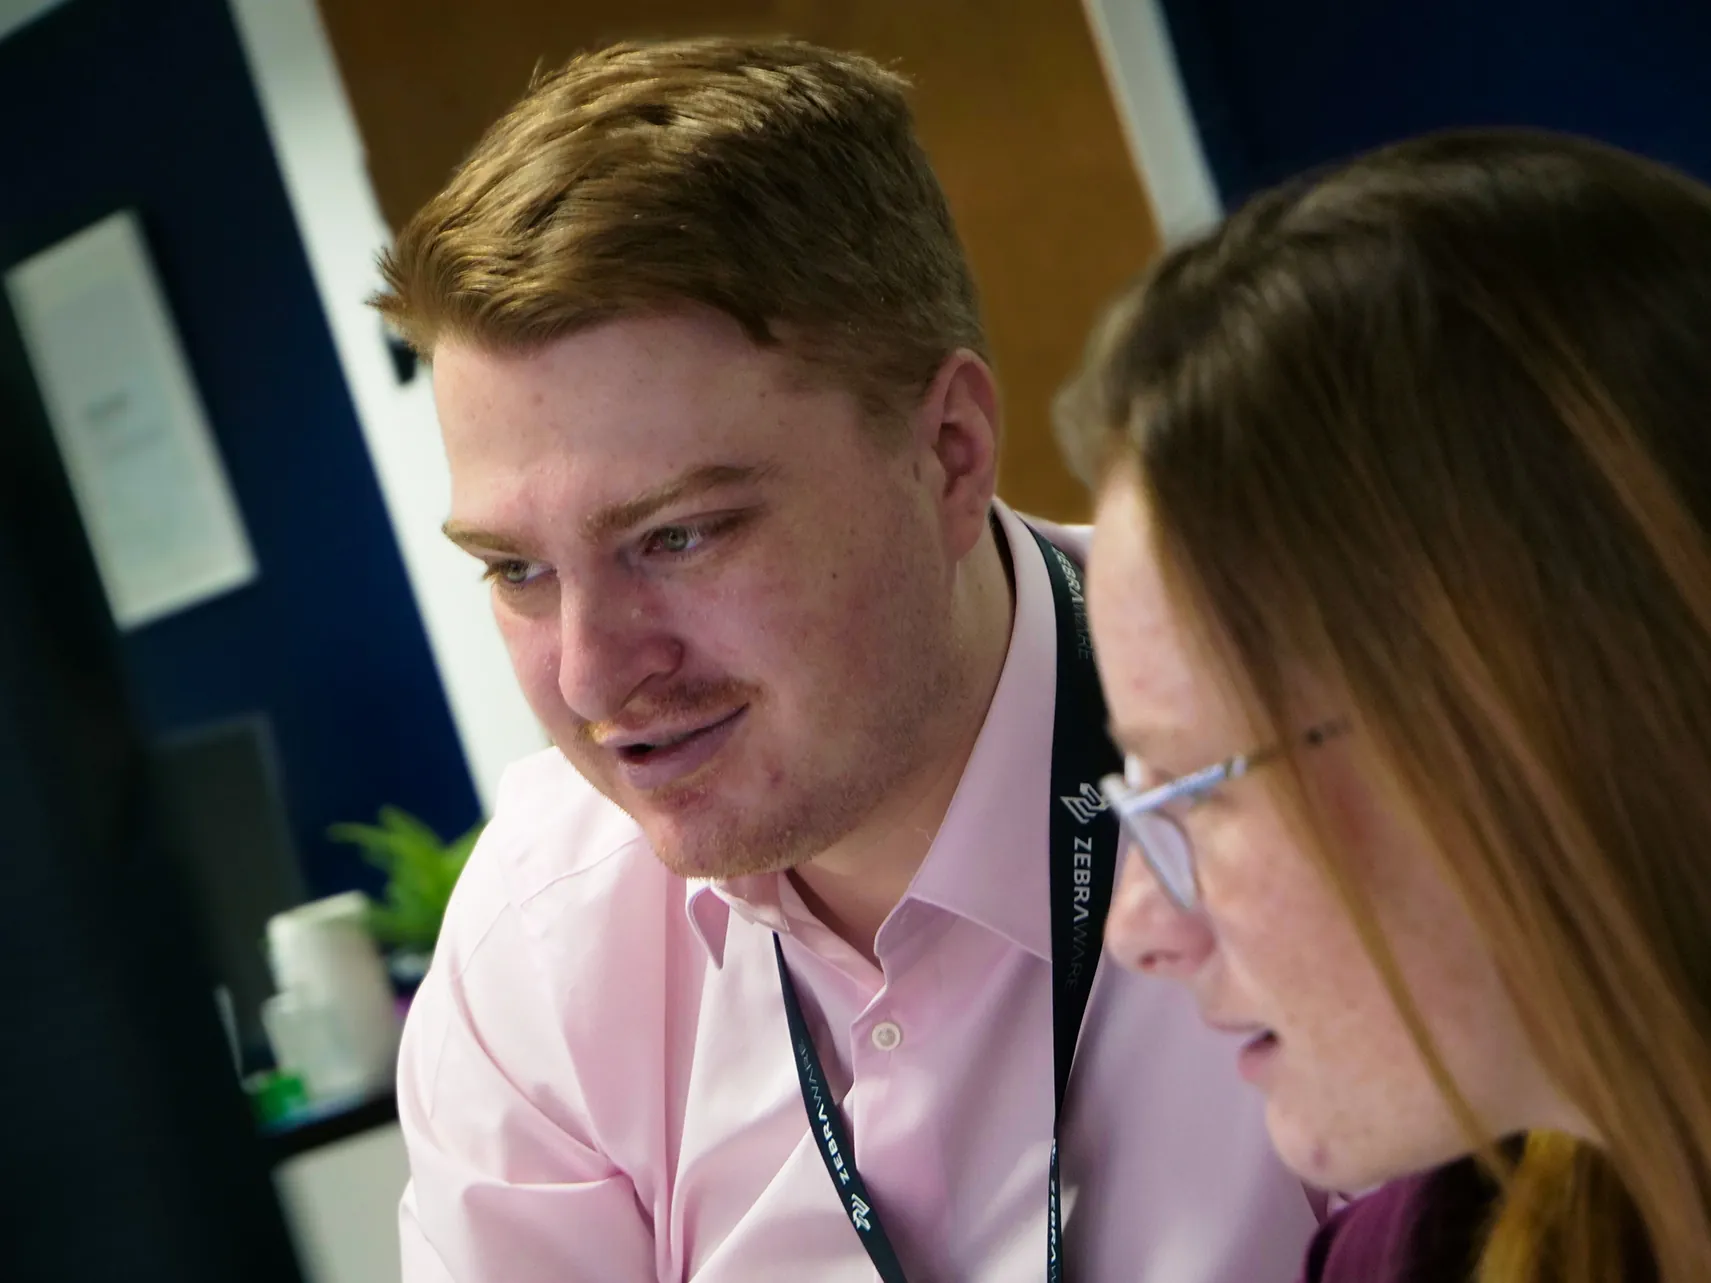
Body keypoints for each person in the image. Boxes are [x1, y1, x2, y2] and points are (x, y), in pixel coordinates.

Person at [371, 34, 1315, 1283]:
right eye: (517, 570)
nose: (593, 677)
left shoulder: (1308, 754)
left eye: (676, 535)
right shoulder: (538, 948)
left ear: (950, 453)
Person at [1056, 128, 1711, 1283]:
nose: (1141, 927)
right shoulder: (1406, 1252)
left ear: (1533, 724)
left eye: (1196, 794)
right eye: (1138, 794)